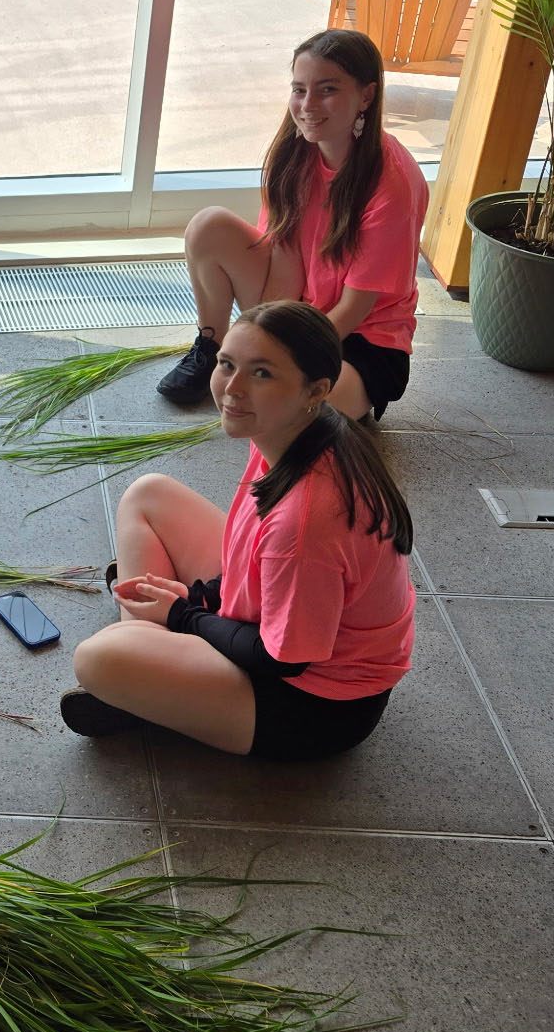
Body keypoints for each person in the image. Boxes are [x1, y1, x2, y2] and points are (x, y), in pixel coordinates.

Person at [66, 301, 416, 760]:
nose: (232, 388)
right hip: (278, 619)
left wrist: (183, 614)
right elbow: (247, 551)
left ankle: (148, 682)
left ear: (316, 389)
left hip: (314, 706)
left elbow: (282, 660)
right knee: (148, 494)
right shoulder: (294, 431)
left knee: (96, 658)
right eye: (227, 364)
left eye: (262, 374)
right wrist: (200, 597)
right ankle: (155, 682)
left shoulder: (307, 522)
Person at [156, 29, 428, 420]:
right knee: (207, 226)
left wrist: (276, 359)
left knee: (295, 410)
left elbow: (354, 309)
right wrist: (259, 343)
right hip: (302, 308)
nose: (307, 105)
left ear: (366, 96)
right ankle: (212, 350)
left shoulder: (393, 184)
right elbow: (284, 256)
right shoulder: (295, 152)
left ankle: (339, 394)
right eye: (299, 89)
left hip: (360, 339)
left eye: (327, 90)